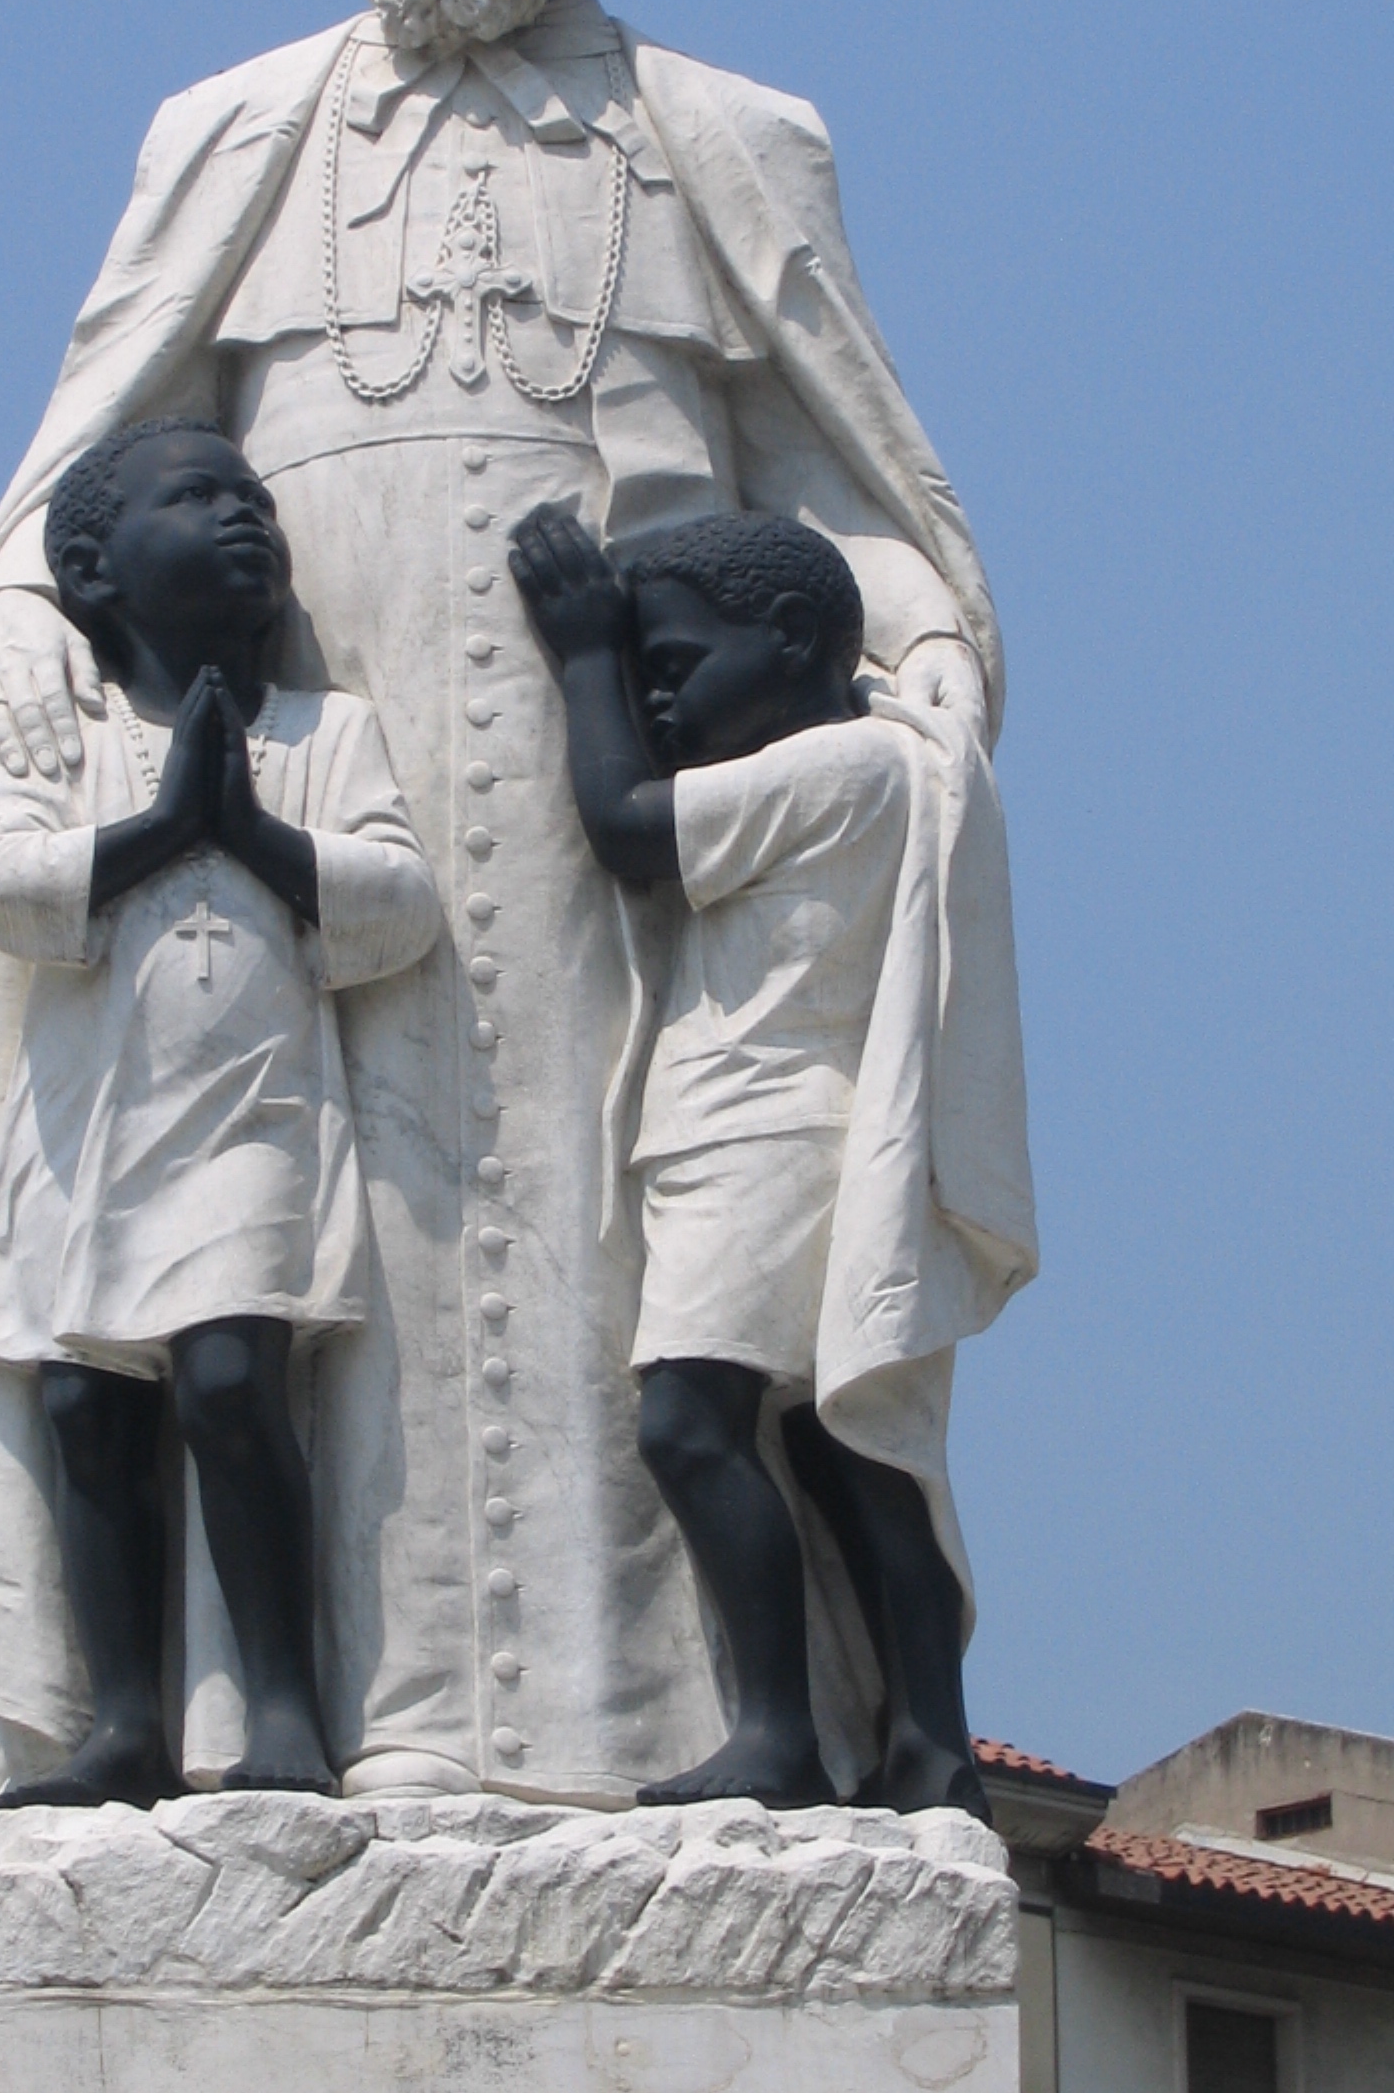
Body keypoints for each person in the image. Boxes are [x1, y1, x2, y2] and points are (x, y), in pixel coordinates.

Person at [0, 0, 1019, 1806]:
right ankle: (286, 1734)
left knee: (633, 1284)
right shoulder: (228, 128)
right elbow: (70, 477)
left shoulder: (734, 139)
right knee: (314, 1289)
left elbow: (858, 502)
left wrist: (938, 661)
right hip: (307, 788)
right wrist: (7, 632)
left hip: (629, 823)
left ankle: (689, 1749)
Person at [510, 502, 1035, 1817]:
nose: (662, 700)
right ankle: (926, 1743)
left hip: (764, 1134)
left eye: (678, 668)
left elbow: (629, 825)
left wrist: (582, 653)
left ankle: (780, 1736)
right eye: (645, 678)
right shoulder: (878, 771)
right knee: (835, 1442)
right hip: (764, 1131)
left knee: (693, 1426)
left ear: (796, 639)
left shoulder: (846, 768)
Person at [0, 416, 439, 1806]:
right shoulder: (66, 739)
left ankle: (284, 1705)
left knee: (233, 1382)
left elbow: (397, 902)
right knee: (88, 1411)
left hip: (251, 1123)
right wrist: (169, 827)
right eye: (199, 497)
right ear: (98, 574)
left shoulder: (321, 731)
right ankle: (125, 1721)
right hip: (84, 1136)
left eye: (256, 501)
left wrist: (257, 836)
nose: (246, 519)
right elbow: (5, 892)